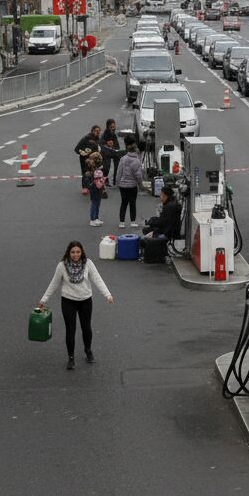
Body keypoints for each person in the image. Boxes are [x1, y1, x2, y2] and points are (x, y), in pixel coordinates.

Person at [37, 241, 113, 370]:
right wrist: (43, 299)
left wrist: (107, 294)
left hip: (85, 300)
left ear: (82, 252)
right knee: (70, 330)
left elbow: (97, 279)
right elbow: (54, 283)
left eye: (78, 252)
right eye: (73, 252)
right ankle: (71, 358)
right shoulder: (62, 266)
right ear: (68, 253)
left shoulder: (88, 263)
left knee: (86, 328)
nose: (75, 254)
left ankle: (88, 350)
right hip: (68, 301)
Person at [143, 186, 184, 261]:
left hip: (168, 232)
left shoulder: (169, 207)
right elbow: (165, 221)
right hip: (171, 229)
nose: (160, 197)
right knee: (147, 229)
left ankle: (159, 250)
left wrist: (153, 227)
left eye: (161, 195)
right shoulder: (172, 204)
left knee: (146, 231)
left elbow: (163, 223)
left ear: (166, 196)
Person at [116, 140, 145, 228]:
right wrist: (140, 185)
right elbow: (138, 175)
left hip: (123, 185)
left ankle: (121, 222)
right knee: (132, 203)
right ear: (135, 151)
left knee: (123, 203)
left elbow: (119, 171)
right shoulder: (137, 161)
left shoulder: (123, 158)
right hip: (132, 185)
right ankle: (132, 221)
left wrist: (118, 182)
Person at [74, 126, 101, 195]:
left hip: (94, 159)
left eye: (99, 131)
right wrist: (82, 152)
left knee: (94, 172)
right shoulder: (86, 138)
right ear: (92, 131)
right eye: (96, 131)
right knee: (85, 172)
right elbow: (77, 149)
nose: (98, 132)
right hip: (85, 159)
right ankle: (85, 188)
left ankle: (93, 186)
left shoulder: (98, 139)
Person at [86, 152, 106, 226]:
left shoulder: (96, 167)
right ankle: (92, 220)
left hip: (97, 187)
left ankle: (96, 218)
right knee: (94, 203)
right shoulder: (93, 168)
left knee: (98, 203)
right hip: (95, 187)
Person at [101, 120, 120, 184]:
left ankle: (115, 180)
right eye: (111, 127)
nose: (113, 128)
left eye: (114, 127)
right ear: (108, 127)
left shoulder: (114, 135)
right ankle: (105, 180)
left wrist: (113, 147)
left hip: (112, 152)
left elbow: (117, 146)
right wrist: (107, 143)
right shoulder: (104, 134)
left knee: (117, 163)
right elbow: (100, 143)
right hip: (105, 153)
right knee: (106, 167)